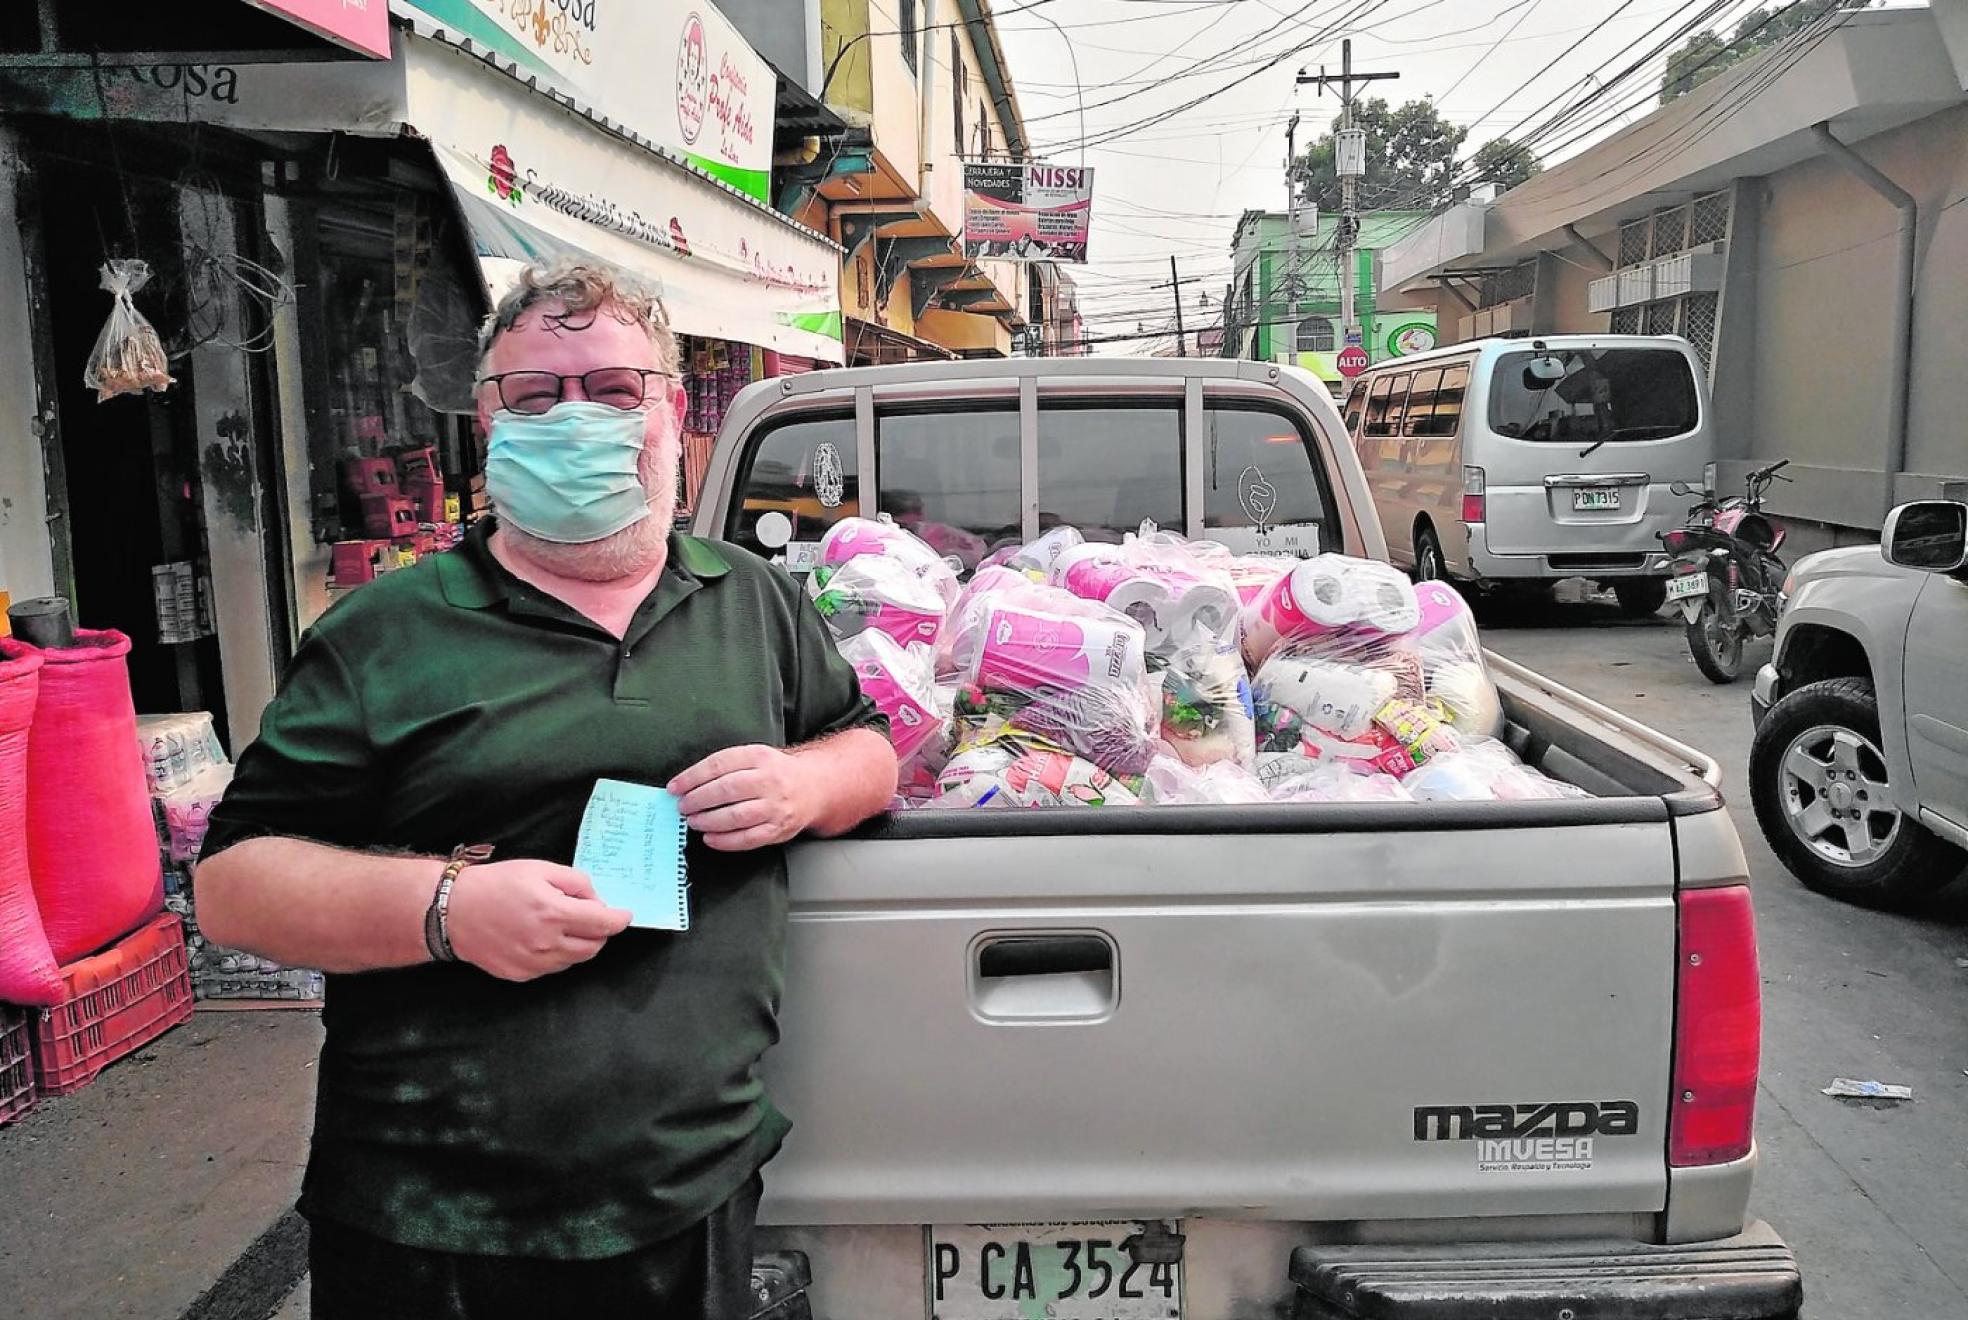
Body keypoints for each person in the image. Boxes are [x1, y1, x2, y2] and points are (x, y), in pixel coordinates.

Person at [195, 258, 897, 1318]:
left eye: (615, 390)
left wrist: (803, 782)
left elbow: (869, 749)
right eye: (536, 395)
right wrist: (447, 912)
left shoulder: (748, 600)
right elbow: (234, 886)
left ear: (671, 416)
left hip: (691, 1191)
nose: (577, 418)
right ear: (488, 426)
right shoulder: (383, 635)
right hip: (432, 1218)